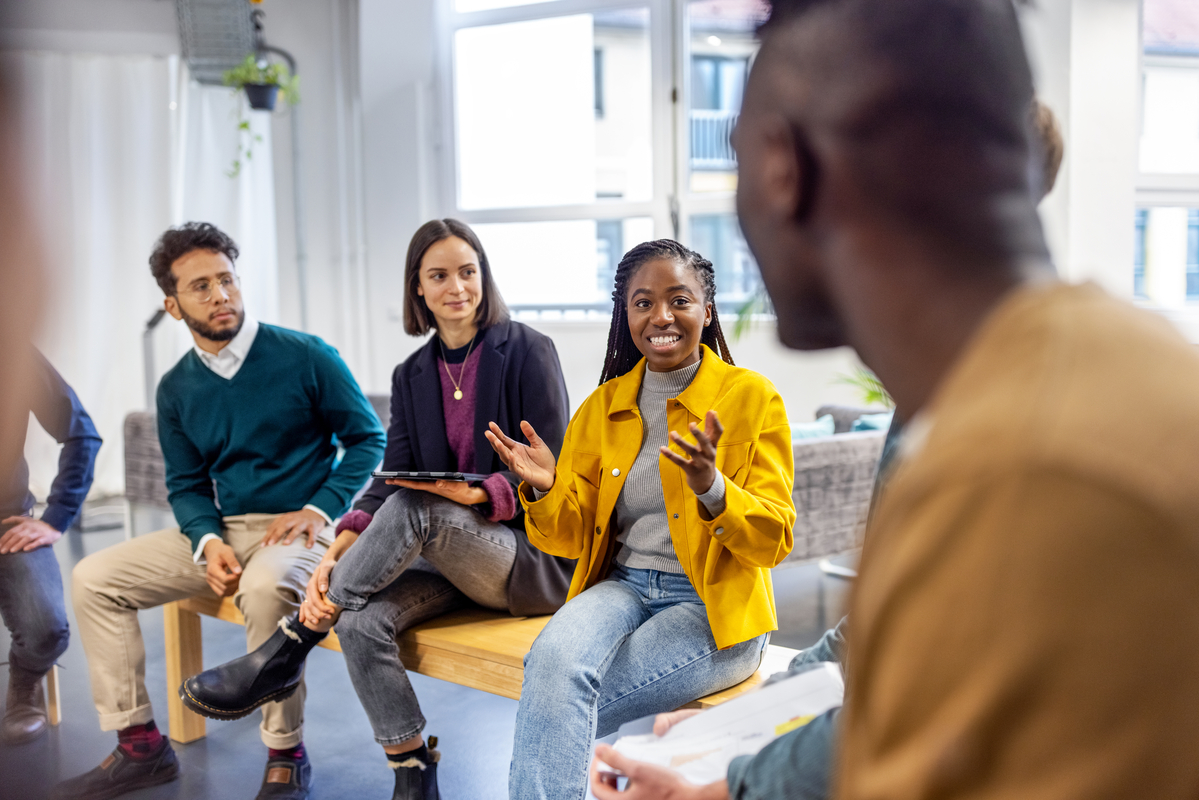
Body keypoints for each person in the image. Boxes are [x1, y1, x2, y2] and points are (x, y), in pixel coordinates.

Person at [595, 0, 1199, 797]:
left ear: (784, 169)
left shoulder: (1026, 477)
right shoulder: (1094, 376)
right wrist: (736, 751)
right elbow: (899, 664)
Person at [590, 95, 1070, 800]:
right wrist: (741, 720)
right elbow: (879, 633)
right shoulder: (930, 396)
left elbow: (918, 695)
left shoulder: (1026, 411)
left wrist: (725, 785)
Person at [178, 219, 574, 800]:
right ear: (418, 288)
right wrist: (341, 542)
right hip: (444, 558)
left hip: (522, 558)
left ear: (484, 276)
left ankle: (291, 644)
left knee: (422, 507)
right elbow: (391, 475)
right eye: (439, 275)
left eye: (468, 272)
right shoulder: (412, 373)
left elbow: (558, 472)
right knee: (362, 618)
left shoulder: (529, 351)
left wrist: (482, 492)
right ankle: (412, 771)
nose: (457, 287)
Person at [55, 222, 386, 800]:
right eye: (201, 286)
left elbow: (367, 439)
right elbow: (185, 485)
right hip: (228, 530)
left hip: (299, 526)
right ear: (173, 304)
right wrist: (207, 542)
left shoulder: (306, 355)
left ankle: (285, 753)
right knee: (92, 577)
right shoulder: (175, 388)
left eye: (227, 280)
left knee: (263, 591)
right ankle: (140, 747)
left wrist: (321, 506)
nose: (221, 295)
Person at [486, 239, 796, 800]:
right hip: (624, 586)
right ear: (624, 314)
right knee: (554, 664)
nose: (661, 317)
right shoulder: (603, 407)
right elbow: (569, 538)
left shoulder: (752, 398)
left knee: (560, 700)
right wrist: (546, 488)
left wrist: (714, 489)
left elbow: (773, 539)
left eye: (679, 299)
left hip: (713, 605)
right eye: (642, 302)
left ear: (707, 308)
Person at [0, 352, 101, 745]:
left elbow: (81, 433)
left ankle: (24, 684)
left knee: (46, 629)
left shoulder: (11, 349)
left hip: (6, 521)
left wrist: (55, 517)